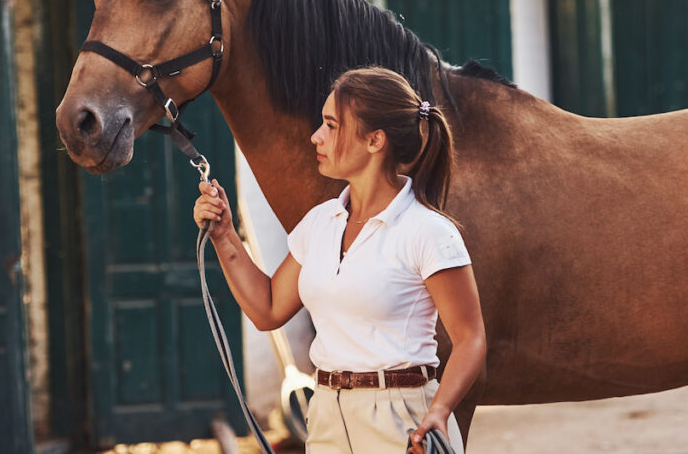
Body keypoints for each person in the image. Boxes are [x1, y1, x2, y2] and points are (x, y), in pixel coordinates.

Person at [193, 66, 486, 454]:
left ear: (374, 140)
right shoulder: (321, 222)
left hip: (402, 419)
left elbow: (470, 338)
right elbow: (267, 309)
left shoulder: (429, 232)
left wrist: (440, 410)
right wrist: (224, 234)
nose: (316, 136)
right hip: (327, 413)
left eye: (331, 125)